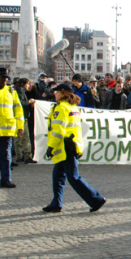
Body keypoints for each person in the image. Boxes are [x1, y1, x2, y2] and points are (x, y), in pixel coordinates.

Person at [42, 83, 106, 213]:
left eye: (57, 91)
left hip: (65, 147)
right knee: (58, 176)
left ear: (63, 92)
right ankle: (56, 203)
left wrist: (50, 147)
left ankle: (96, 199)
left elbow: (58, 131)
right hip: (72, 145)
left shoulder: (61, 108)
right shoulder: (73, 107)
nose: (55, 94)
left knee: (73, 177)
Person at [13, 78, 37, 164]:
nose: (29, 86)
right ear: (23, 84)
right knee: (25, 137)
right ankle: (27, 156)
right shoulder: (20, 91)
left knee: (18, 138)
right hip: (22, 117)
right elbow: (21, 104)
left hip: (17, 117)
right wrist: (29, 102)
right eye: (28, 84)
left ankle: (19, 156)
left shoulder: (16, 90)